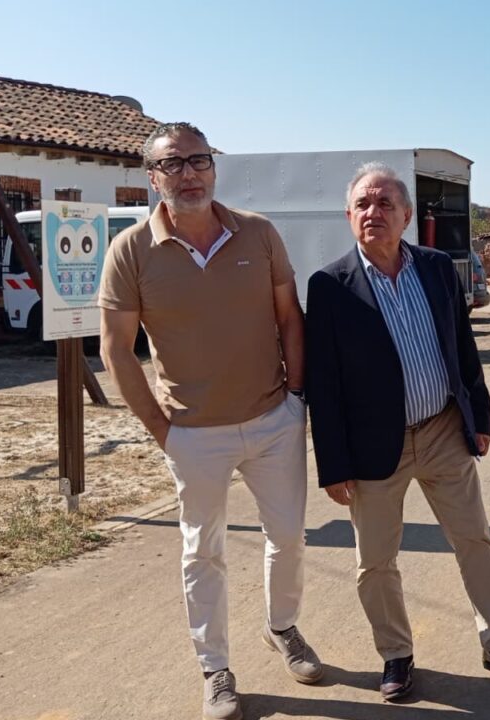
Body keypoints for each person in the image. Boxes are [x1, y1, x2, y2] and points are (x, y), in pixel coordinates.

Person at [98, 122, 321, 720]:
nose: (188, 173)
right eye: (173, 164)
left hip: (272, 418)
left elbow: (290, 319)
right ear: (152, 178)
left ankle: (283, 628)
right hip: (192, 433)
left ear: (214, 169)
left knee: (290, 538)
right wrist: (162, 430)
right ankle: (215, 668)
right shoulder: (131, 252)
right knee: (204, 552)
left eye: (198, 161)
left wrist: (295, 398)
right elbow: (116, 350)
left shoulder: (259, 233)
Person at [304, 162, 490, 704]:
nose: (373, 212)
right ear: (348, 215)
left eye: (385, 204)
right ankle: (396, 655)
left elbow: (462, 348)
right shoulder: (330, 286)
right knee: (375, 560)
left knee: (475, 539)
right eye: (362, 204)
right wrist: (333, 465)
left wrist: (481, 416)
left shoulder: (435, 268)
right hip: (371, 448)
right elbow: (324, 385)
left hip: (442, 431)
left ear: (406, 215)